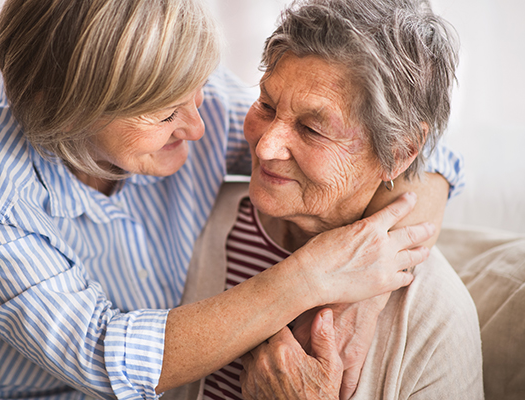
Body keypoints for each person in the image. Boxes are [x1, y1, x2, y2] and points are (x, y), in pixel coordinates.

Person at [0, 0, 461, 399]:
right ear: (64, 115)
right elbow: (98, 352)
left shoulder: (181, 93)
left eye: (196, 87)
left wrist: (364, 290)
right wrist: (311, 277)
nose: (202, 125)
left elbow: (414, 146)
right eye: (163, 114)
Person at [164, 0, 483, 399]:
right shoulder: (202, 221)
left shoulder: (436, 316)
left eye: (312, 129)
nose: (265, 148)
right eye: (266, 104)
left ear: (400, 151)